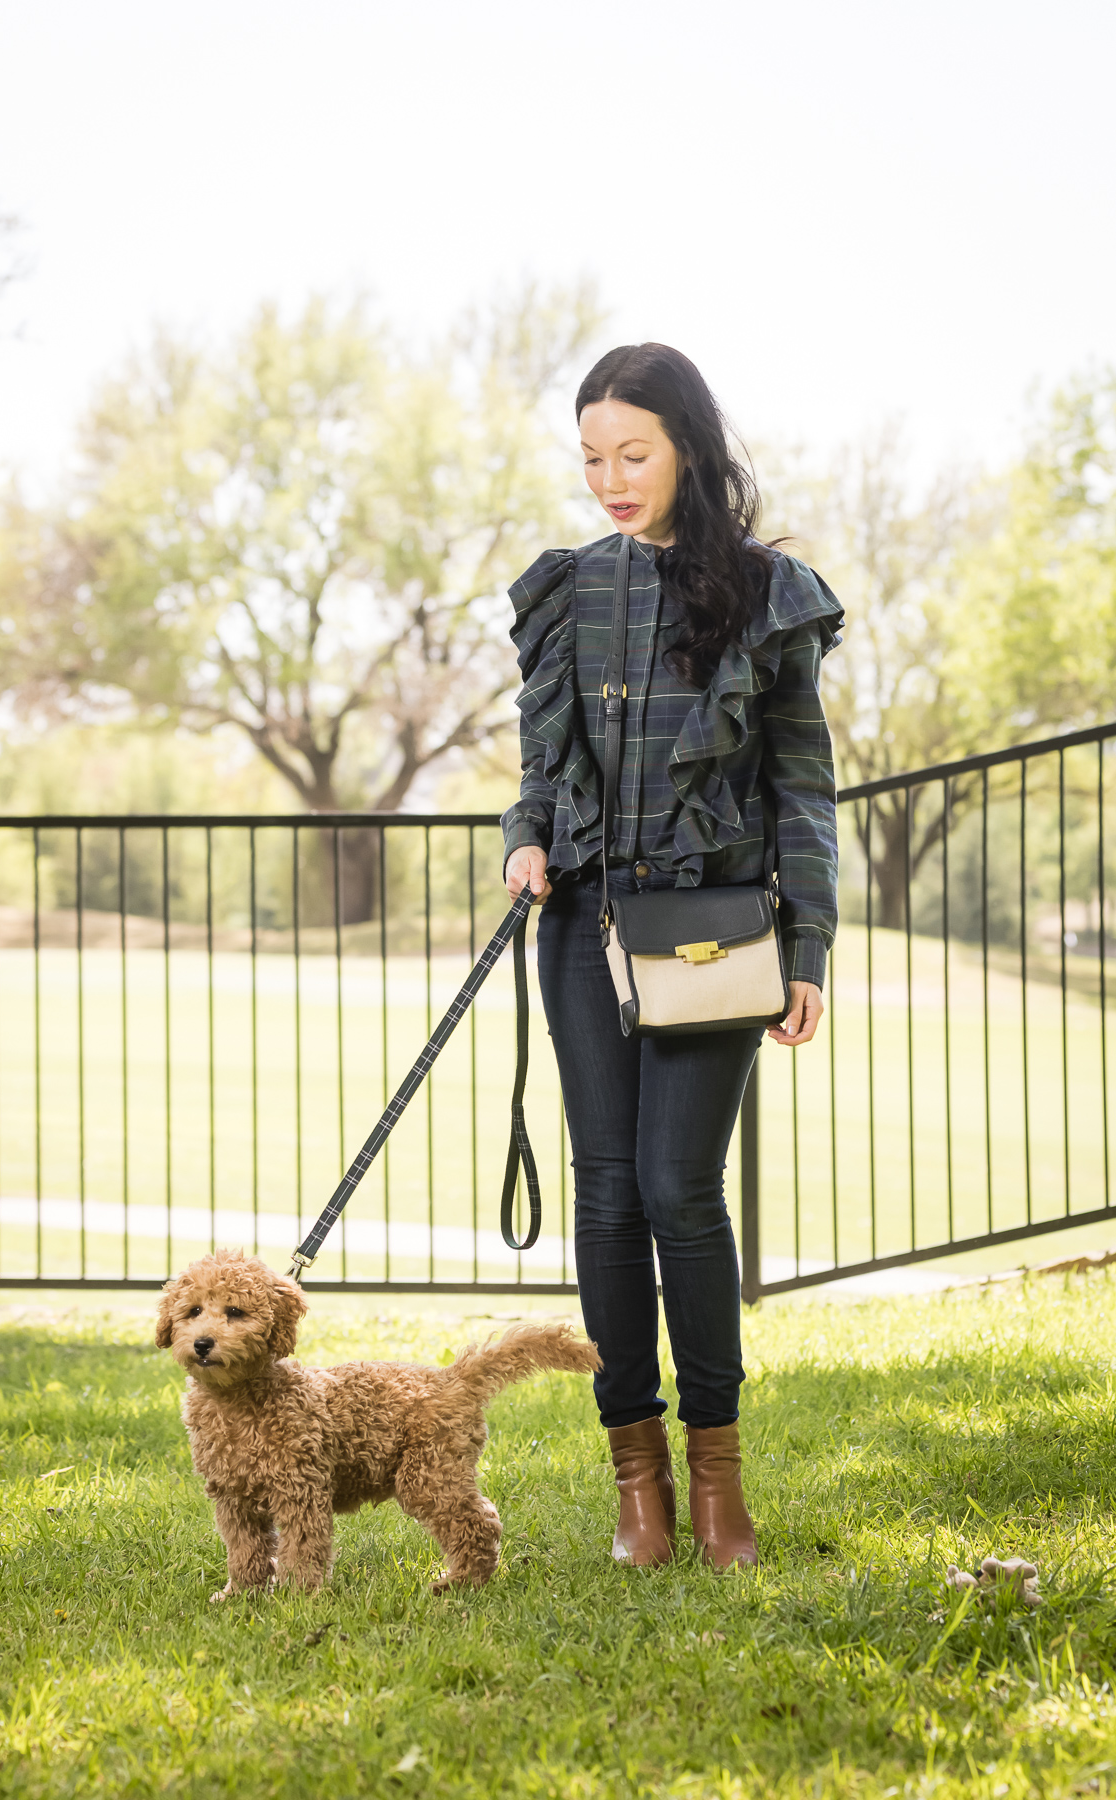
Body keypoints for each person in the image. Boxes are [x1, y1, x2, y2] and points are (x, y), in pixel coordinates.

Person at [501, 343, 841, 1570]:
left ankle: (715, 1485)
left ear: (686, 445)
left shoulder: (768, 592)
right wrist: (526, 839)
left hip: (712, 934)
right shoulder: (566, 590)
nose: (610, 478)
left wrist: (807, 943)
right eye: (590, 457)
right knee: (605, 1194)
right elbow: (540, 768)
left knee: (678, 1192)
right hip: (584, 923)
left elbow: (803, 784)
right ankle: (634, 1488)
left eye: (631, 453)